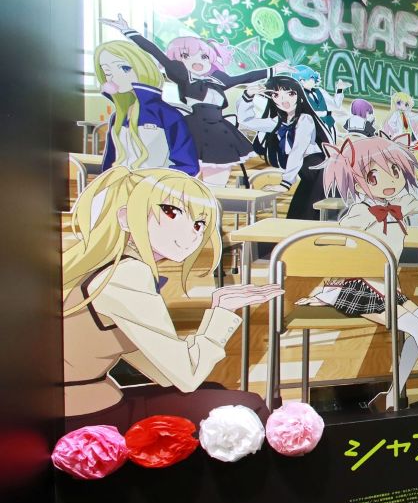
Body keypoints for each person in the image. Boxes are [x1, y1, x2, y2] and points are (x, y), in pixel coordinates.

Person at [61, 167, 283, 429]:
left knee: (215, 391)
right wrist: (222, 311)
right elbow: (187, 375)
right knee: (250, 408)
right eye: (171, 212)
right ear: (125, 217)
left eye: (199, 224)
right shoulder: (126, 274)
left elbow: (166, 374)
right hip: (87, 418)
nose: (193, 233)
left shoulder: (101, 264)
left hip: (81, 406)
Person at [306, 137, 418, 409]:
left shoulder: (402, 204)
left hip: (384, 287)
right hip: (355, 287)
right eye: (374, 176)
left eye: (395, 171)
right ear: (357, 181)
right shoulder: (359, 213)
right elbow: (335, 250)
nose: (390, 181)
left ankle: (391, 396)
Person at [100, 14, 287, 187]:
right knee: (189, 182)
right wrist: (128, 31)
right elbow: (155, 52)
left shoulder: (219, 80)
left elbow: (245, 77)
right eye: (186, 56)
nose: (197, 61)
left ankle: (213, 210)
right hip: (194, 132)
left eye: (204, 56)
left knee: (216, 184)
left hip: (220, 133)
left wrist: (273, 70)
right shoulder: (184, 78)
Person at [95, 40, 199, 176]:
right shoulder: (118, 117)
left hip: (157, 187)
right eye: (107, 72)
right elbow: (109, 164)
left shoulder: (167, 115)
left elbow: (188, 166)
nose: (114, 77)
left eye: (124, 68)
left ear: (143, 68)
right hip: (120, 186)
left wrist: (156, 182)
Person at [237, 76, 332, 220]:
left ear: (299, 96)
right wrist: (248, 96)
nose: (284, 100)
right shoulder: (278, 122)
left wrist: (285, 184)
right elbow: (246, 120)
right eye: (276, 95)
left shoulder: (305, 119)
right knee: (298, 215)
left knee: (307, 215)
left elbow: (297, 151)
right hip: (308, 174)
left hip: (320, 172)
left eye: (290, 94)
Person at [291, 65, 349, 139]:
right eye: (302, 80)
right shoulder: (297, 96)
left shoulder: (320, 91)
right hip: (312, 130)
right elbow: (307, 114)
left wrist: (340, 89)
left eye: (311, 78)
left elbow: (336, 105)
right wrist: (328, 113)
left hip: (329, 126)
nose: (310, 81)